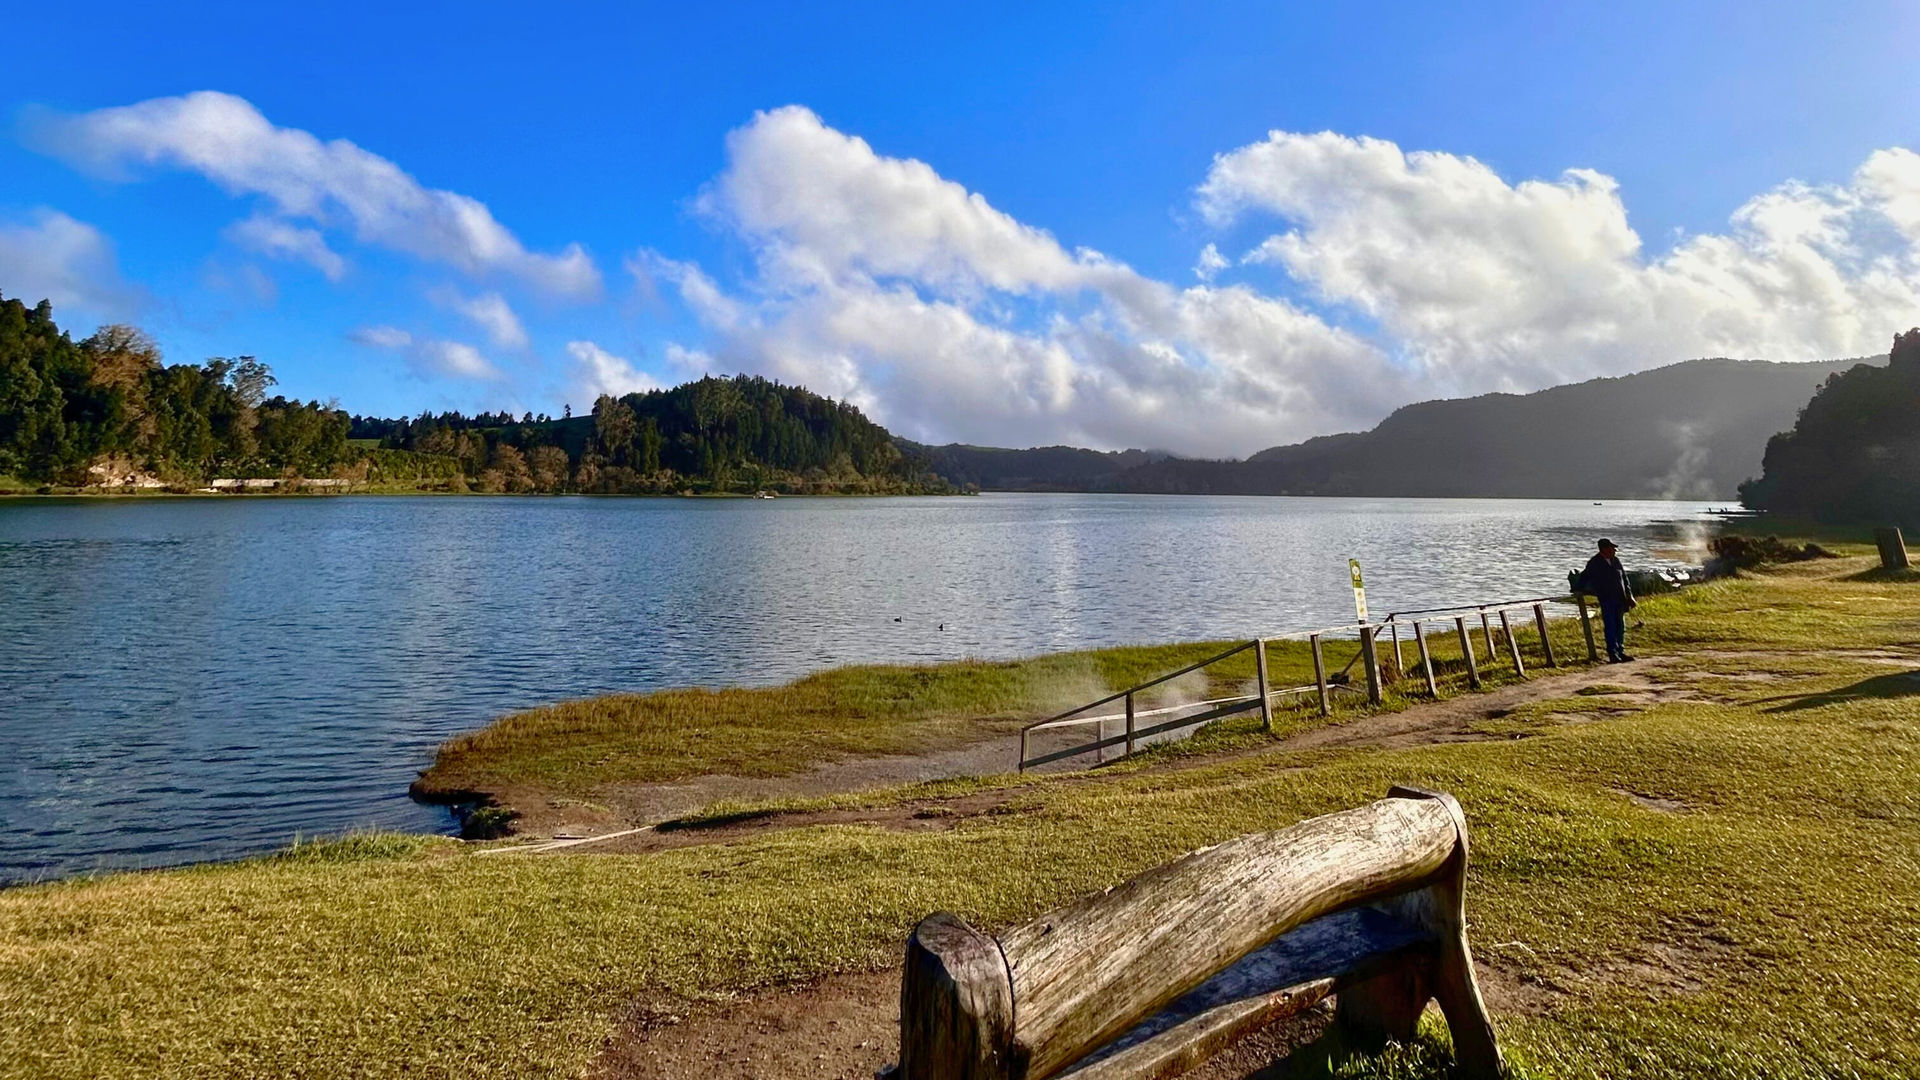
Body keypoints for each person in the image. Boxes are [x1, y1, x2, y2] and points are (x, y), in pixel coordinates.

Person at [1580, 538, 1637, 662]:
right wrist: (1583, 590)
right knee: (1610, 626)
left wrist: (1629, 596)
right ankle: (1612, 653)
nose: (1614, 551)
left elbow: (1625, 579)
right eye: (1612, 548)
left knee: (1620, 627)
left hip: (1620, 599)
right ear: (1604, 549)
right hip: (1607, 599)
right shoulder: (1594, 563)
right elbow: (1584, 578)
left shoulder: (1616, 561)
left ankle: (1620, 651)